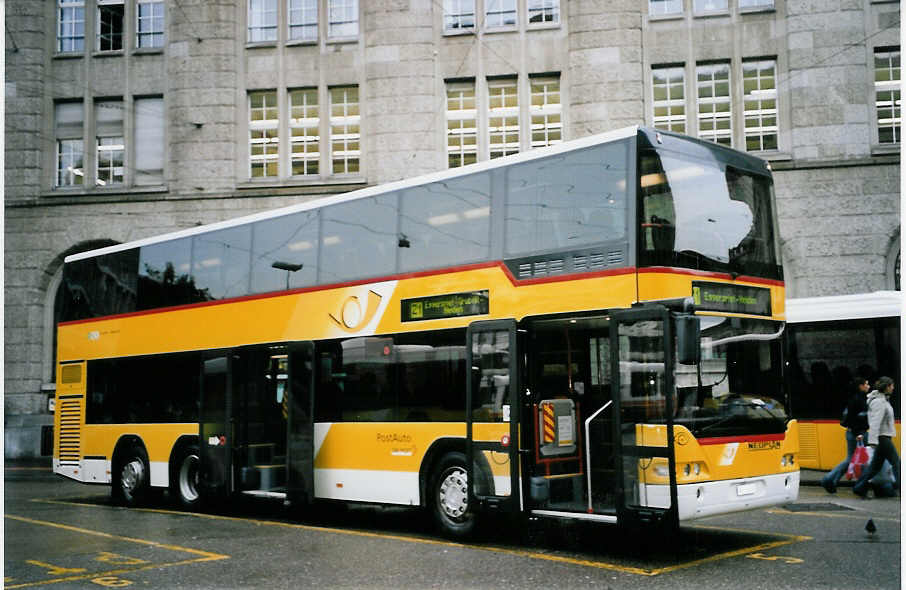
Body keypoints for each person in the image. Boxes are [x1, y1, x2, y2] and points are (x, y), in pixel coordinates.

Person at [820, 378, 870, 493]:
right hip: (857, 433)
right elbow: (853, 418)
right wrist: (858, 433)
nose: (868, 386)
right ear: (860, 386)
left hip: (856, 432)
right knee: (852, 459)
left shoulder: (858, 398)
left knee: (852, 459)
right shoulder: (857, 399)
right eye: (866, 384)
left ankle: (832, 481)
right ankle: (828, 479)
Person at [853, 377, 900, 497]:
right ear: (887, 386)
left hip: (883, 437)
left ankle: (859, 487)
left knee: (874, 467)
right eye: (892, 385)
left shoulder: (883, 400)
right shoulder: (879, 402)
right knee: (897, 463)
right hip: (882, 437)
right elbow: (875, 423)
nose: (893, 388)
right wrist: (873, 441)